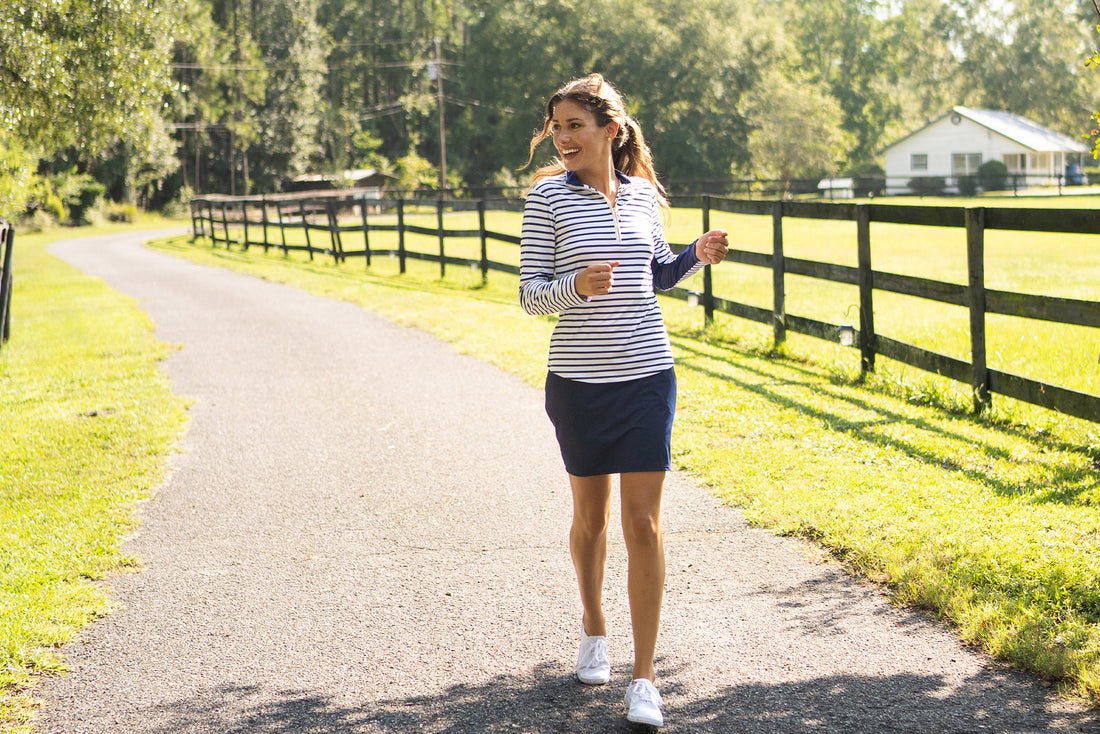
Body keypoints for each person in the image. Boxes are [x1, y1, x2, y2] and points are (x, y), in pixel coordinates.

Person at [518, 73, 729, 728]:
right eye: (556, 126)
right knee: (592, 519)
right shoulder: (548, 199)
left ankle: (645, 677)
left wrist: (693, 254)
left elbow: (655, 273)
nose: (563, 137)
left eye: (574, 125)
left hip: (647, 378)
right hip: (579, 384)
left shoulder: (644, 196)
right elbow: (529, 295)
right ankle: (593, 627)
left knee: (643, 524)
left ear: (611, 131)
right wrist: (576, 285)